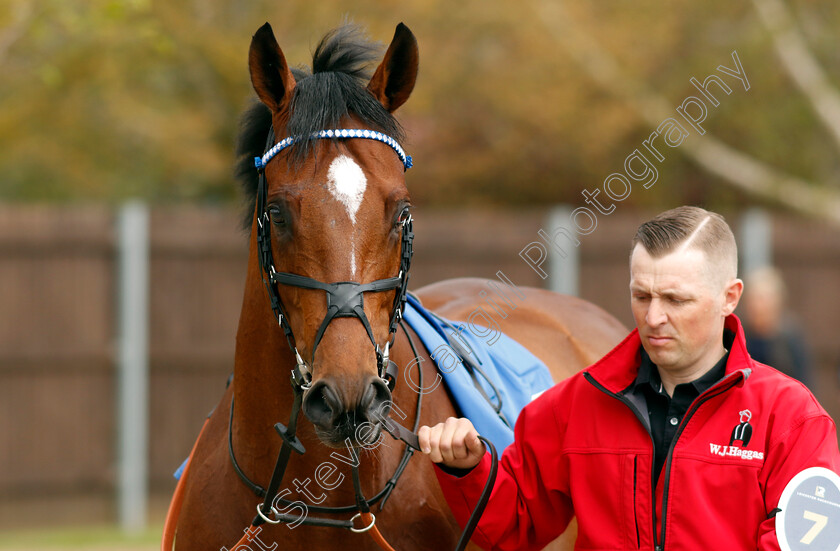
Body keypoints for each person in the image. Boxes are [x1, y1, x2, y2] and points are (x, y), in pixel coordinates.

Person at [418, 206, 840, 550]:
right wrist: (467, 469)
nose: (654, 317)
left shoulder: (793, 418)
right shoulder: (574, 404)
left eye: (675, 299)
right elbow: (514, 525)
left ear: (730, 297)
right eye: (642, 296)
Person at [742, 266, 812, 387]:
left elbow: (803, 382)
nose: (757, 306)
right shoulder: (738, 336)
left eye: (763, 299)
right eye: (753, 299)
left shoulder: (790, 339)